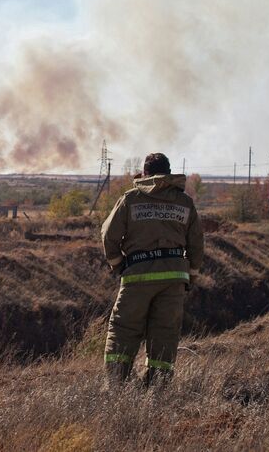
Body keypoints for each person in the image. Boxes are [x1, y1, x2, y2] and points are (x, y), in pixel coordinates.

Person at [101, 152, 204, 385]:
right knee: (165, 333)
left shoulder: (130, 199)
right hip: (174, 279)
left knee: (124, 328)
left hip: (137, 275)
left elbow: (109, 235)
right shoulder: (184, 202)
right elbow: (197, 241)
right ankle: (157, 387)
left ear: (145, 173)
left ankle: (116, 385)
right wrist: (191, 274)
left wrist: (118, 265)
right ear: (168, 173)